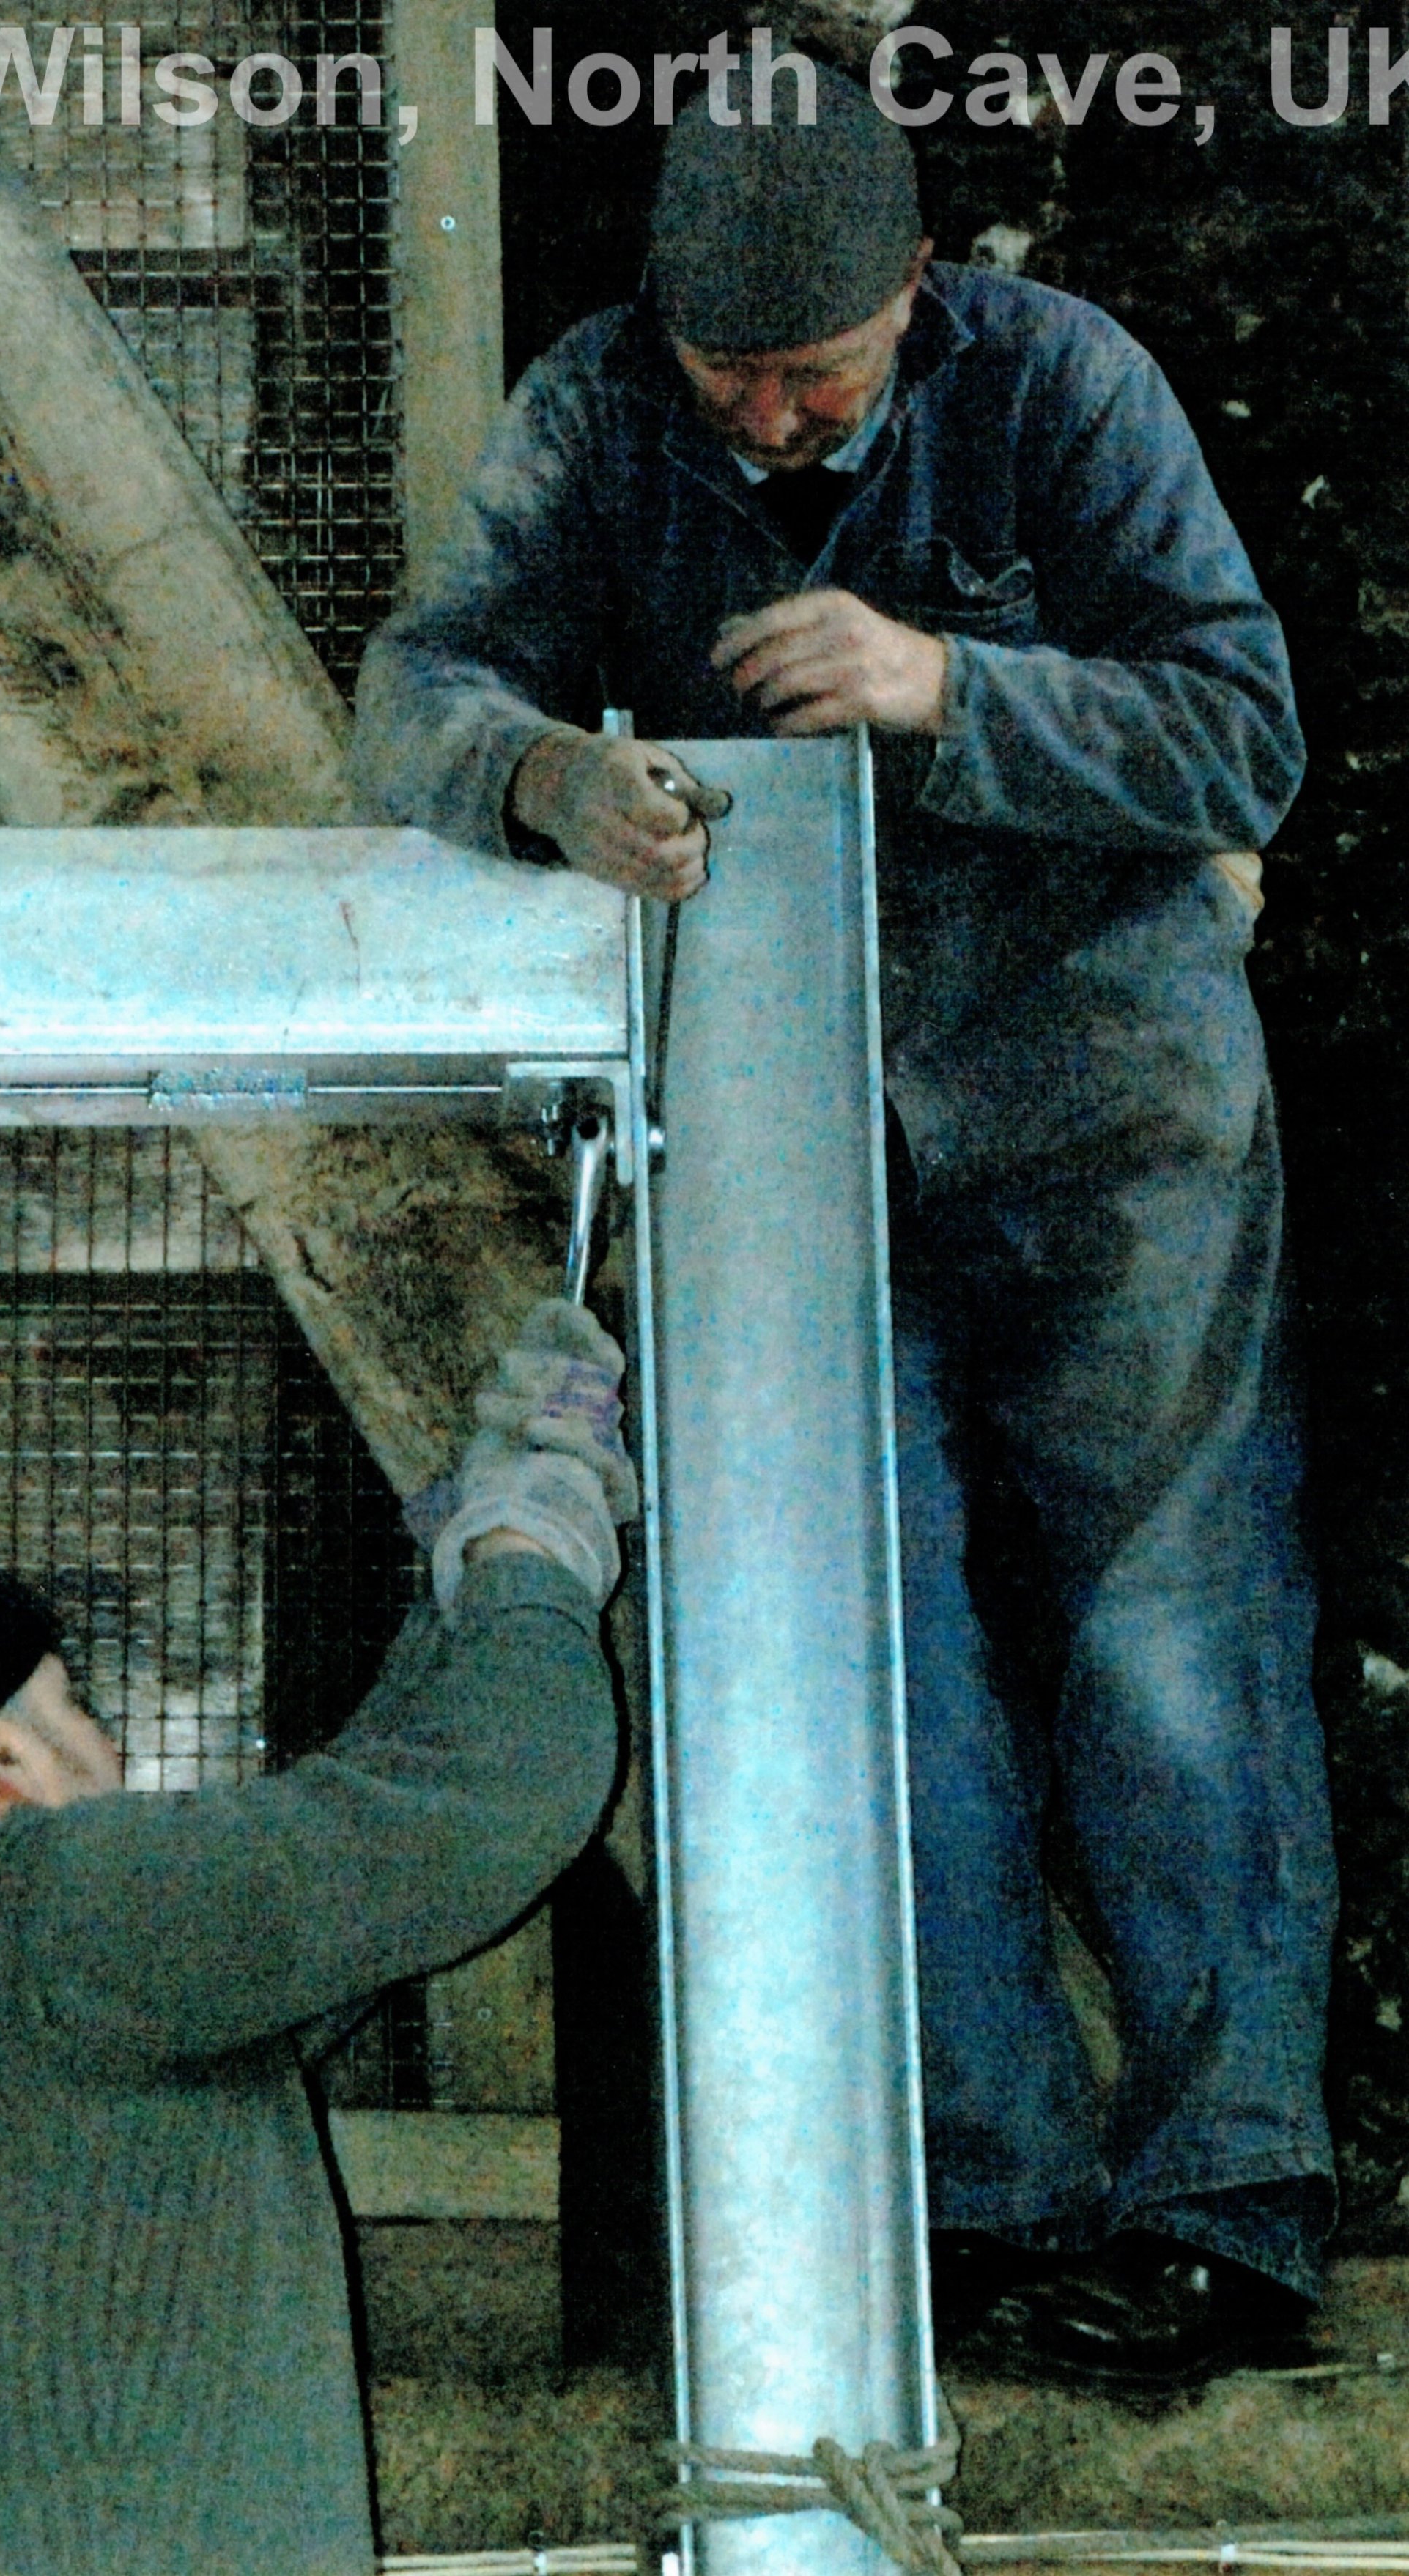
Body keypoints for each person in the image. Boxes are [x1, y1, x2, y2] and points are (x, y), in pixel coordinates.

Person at [352, 67, 1338, 2389]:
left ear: (917, 290)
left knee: (1169, 1628)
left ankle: (1225, 2196)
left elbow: (1243, 734)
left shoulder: (1063, 382)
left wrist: (945, 683)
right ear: (657, 327)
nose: (777, 416)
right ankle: (971, 2197)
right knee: (865, 1644)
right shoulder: (591, 412)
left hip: (1116, 1116)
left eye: (823, 368)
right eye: (732, 375)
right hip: (794, 1131)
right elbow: (414, 684)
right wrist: (538, 774)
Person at [0, 1299, 635, 2575]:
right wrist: (538, 1525)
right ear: (1, 1752)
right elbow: (498, 1795)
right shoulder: (57, 1912)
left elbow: (355, 1888)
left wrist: (451, 1573)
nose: (111, 1748)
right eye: (72, 1706)